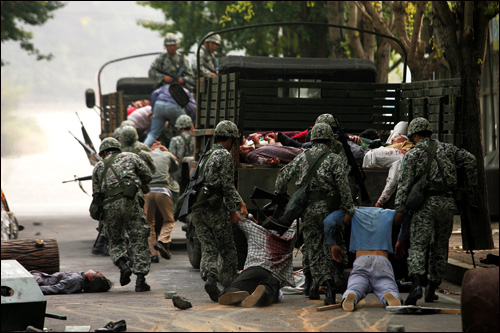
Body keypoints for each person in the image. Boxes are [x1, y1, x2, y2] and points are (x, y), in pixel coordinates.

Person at [393, 117, 478, 305]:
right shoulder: (448, 149)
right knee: (440, 247)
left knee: (418, 245)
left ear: (414, 135)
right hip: (447, 205)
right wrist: (471, 184)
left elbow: (404, 185)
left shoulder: (413, 154)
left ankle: (416, 285)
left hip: (425, 206)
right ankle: (432, 288)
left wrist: (399, 210)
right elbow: (471, 160)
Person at [274, 123, 355, 305]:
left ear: (312, 140)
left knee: (314, 249)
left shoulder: (302, 157)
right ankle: (331, 286)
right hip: (330, 211)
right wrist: (349, 210)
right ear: (329, 140)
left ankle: (317, 286)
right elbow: (344, 187)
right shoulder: (335, 159)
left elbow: (282, 176)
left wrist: (283, 196)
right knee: (333, 245)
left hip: (309, 211)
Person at [190, 120, 249, 302]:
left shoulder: (206, 154)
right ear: (231, 138)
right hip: (214, 209)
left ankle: (210, 277)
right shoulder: (224, 156)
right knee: (227, 250)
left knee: (208, 248)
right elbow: (227, 187)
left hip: (198, 209)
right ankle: (231, 287)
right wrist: (237, 206)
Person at [91, 137, 153, 292]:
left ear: (104, 152)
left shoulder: (98, 167)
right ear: (118, 149)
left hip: (109, 207)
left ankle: (123, 265)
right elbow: (148, 176)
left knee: (115, 240)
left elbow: (96, 194)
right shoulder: (132, 157)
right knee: (138, 238)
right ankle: (140, 281)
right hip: (130, 202)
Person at [323, 207, 405, 311]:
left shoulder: (353, 212)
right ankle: (390, 295)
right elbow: (404, 216)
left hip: (361, 260)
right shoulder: (388, 213)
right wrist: (401, 238)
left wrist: (332, 244)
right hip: (382, 260)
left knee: (356, 285)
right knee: (386, 284)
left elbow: (328, 221)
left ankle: (351, 294)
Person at [218, 216, 297, 307]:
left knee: (234, 286)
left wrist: (248, 216)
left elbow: (236, 218)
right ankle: (263, 293)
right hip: (274, 276)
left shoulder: (256, 230)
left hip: (253, 269)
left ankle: (234, 291)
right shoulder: (291, 236)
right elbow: (297, 219)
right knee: (270, 290)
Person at [145, 141, 179, 263]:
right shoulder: (167, 155)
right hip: (163, 191)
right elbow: (175, 168)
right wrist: (168, 152)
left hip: (147, 192)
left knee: (149, 223)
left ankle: (153, 254)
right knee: (169, 220)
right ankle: (162, 241)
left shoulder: (147, 155)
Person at [362, 135, 414, 207]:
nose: (393, 140)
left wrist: (380, 201)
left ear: (405, 141)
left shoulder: (402, 153)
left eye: (397, 138)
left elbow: (393, 179)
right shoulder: (393, 152)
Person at [144, 83, 196, 148]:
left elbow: (154, 93)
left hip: (159, 105)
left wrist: (153, 109)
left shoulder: (164, 86)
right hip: (173, 106)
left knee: (153, 133)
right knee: (185, 126)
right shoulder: (185, 91)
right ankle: (190, 148)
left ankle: (144, 149)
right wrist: (192, 122)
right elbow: (193, 108)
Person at [240, 133, 305, 166]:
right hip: (300, 157)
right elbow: (260, 160)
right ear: (240, 150)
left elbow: (271, 146)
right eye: (241, 146)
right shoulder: (250, 155)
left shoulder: (257, 150)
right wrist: (269, 161)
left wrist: (270, 139)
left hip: (300, 151)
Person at [30, 269, 112, 295]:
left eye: (98, 273)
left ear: (91, 278)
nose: (97, 270)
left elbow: (56, 288)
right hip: (37, 278)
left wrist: (30, 290)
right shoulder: (79, 277)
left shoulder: (76, 280)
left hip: (35, 281)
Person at [169, 115, 195, 186]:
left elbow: (171, 157)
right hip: (193, 172)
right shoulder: (196, 139)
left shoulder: (175, 140)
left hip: (178, 174)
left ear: (179, 128)